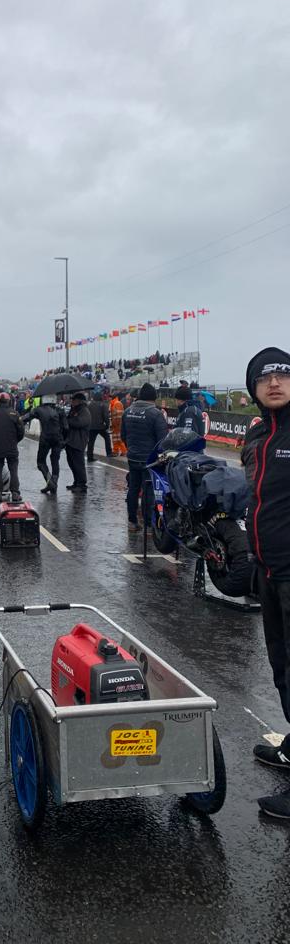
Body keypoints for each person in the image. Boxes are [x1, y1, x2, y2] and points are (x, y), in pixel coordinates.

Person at [242, 348, 290, 819]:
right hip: (268, 569)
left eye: (283, 375)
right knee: (281, 666)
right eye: (264, 377)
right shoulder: (257, 434)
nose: (274, 382)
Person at [121, 383, 167, 531]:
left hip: (133, 457)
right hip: (149, 460)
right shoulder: (156, 414)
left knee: (133, 489)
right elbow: (163, 441)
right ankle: (148, 525)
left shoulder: (127, 411)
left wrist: (131, 449)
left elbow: (123, 436)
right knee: (148, 492)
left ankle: (132, 521)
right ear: (153, 398)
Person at [0, 392, 24, 501]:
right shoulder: (15, 414)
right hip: (11, 447)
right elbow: (21, 432)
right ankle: (15, 493)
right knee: (13, 470)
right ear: (8, 401)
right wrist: (15, 441)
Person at [26, 396, 67, 494]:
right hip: (58, 438)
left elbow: (26, 418)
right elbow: (66, 427)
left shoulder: (39, 409)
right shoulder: (60, 410)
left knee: (41, 462)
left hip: (45, 438)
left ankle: (50, 482)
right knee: (55, 461)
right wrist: (63, 441)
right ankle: (53, 483)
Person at [64, 394, 90, 493]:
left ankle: (82, 485)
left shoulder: (84, 411)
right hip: (71, 441)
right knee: (72, 464)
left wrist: (67, 421)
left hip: (78, 441)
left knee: (78, 464)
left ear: (79, 401)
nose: (72, 401)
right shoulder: (74, 410)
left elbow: (80, 422)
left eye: (74, 400)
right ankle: (76, 482)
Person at [87, 392, 113, 462]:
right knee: (107, 438)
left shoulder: (89, 405)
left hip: (91, 426)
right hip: (100, 426)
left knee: (91, 442)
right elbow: (106, 416)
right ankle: (109, 453)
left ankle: (89, 457)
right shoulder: (103, 405)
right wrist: (107, 425)